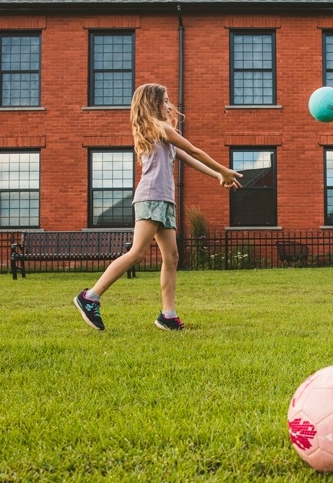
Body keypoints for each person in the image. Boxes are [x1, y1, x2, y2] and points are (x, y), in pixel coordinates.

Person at [74, 83, 241, 331]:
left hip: (164, 200)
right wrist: (223, 169)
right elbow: (194, 150)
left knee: (171, 257)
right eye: (164, 100)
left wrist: (216, 176)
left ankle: (168, 315)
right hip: (151, 197)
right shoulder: (159, 129)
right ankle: (90, 297)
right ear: (153, 103)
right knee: (138, 253)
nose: (169, 104)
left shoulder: (162, 134)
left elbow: (187, 159)